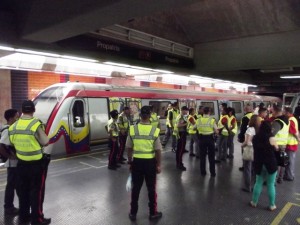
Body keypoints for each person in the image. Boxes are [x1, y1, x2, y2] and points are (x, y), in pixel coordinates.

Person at [8, 100, 50, 224]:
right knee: (36, 193)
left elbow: (12, 143)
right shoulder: (35, 124)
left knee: (23, 192)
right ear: (33, 110)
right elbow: (45, 142)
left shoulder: (13, 126)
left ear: (21, 110)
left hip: (21, 165)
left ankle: (24, 217)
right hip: (36, 166)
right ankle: (37, 220)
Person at [126, 106, 162, 221]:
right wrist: (158, 165)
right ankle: (152, 213)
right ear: (150, 116)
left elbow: (128, 148)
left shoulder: (133, 129)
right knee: (151, 189)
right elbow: (158, 150)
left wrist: (130, 161)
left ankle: (133, 213)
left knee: (135, 188)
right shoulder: (154, 130)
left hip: (137, 162)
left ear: (140, 116)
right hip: (150, 163)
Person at [250, 121, 278, 211]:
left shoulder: (255, 137)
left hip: (259, 163)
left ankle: (254, 202)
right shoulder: (271, 137)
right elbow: (276, 148)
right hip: (270, 163)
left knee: (258, 182)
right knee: (270, 184)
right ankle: (272, 205)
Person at [0, 109, 20, 215]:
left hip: (14, 163)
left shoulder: (12, 129)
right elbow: (1, 146)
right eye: (17, 116)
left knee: (14, 185)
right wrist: (9, 157)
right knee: (11, 186)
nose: (19, 118)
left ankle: (10, 207)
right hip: (12, 164)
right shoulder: (7, 130)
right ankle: (9, 207)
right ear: (11, 118)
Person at [241, 115, 261, 193]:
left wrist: (242, 145)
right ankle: (255, 186)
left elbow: (247, 141)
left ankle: (248, 187)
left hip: (249, 149)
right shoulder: (259, 129)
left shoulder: (250, 129)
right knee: (254, 169)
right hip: (257, 149)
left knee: (247, 169)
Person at [197, 107, 218, 177]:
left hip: (201, 139)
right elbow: (216, 131)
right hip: (210, 139)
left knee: (202, 156)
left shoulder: (199, 120)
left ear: (203, 112)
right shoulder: (212, 120)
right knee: (211, 157)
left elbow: (194, 127)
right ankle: (212, 173)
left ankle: (203, 172)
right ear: (209, 112)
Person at [271, 105, 289, 184]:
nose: (272, 113)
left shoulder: (278, 122)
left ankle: (273, 180)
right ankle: (280, 178)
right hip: (283, 143)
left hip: (276, 145)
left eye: (272, 111)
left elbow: (271, 134)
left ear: (276, 111)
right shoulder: (286, 120)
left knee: (276, 163)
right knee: (281, 162)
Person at [283, 107, 299, 181]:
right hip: (291, 143)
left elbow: (293, 131)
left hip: (290, 144)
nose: (283, 113)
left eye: (284, 112)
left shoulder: (290, 120)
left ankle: (290, 176)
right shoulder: (293, 119)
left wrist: (298, 139)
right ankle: (288, 175)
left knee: (290, 161)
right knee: (289, 160)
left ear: (288, 113)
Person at [237, 103, 253, 170]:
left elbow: (243, 129)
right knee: (251, 152)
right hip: (253, 137)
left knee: (245, 152)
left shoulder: (245, 117)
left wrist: (240, 137)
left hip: (246, 137)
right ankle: (252, 167)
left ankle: (245, 166)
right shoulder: (254, 116)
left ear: (245, 109)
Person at [173, 106, 189, 170]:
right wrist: (186, 124)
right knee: (180, 150)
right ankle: (179, 164)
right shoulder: (181, 117)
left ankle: (179, 163)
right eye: (186, 111)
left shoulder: (179, 116)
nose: (187, 112)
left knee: (180, 150)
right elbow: (178, 125)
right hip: (181, 134)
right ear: (183, 110)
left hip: (180, 134)